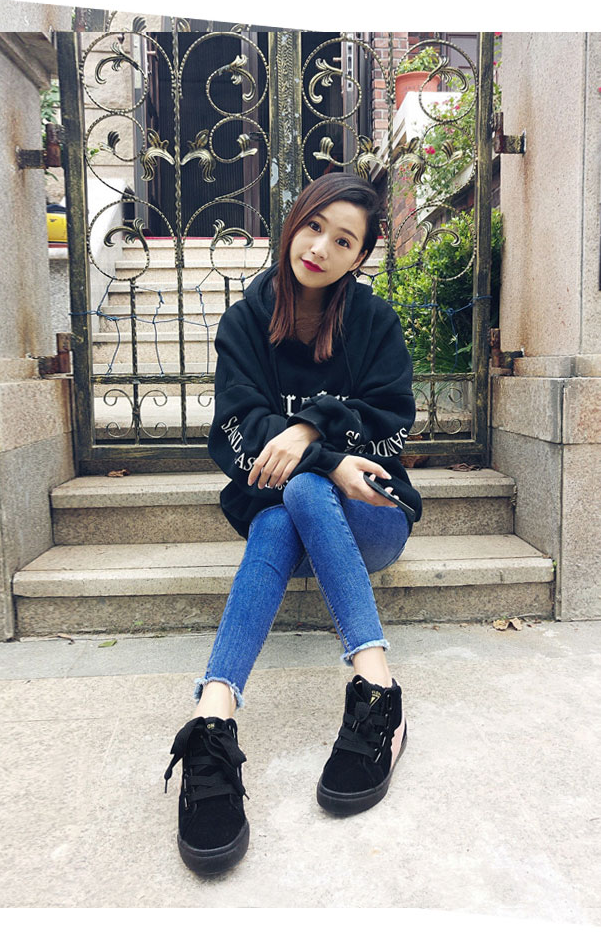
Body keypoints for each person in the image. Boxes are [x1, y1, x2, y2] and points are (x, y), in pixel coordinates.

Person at [163, 173, 423, 876]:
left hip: (369, 521)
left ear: (359, 256)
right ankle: (219, 720)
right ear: (294, 223)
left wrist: (310, 431)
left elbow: (391, 427)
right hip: (285, 520)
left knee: (302, 486)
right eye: (314, 227)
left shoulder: (375, 323)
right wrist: (325, 457)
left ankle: (358, 697)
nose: (320, 248)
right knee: (288, 506)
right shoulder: (247, 321)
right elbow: (236, 433)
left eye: (343, 241)